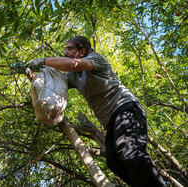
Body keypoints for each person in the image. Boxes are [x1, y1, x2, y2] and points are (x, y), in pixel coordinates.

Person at [21, 36, 166, 187]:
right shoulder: (72, 76)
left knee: (129, 152)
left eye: (70, 48)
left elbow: (72, 65)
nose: (65, 52)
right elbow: (51, 87)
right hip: (111, 122)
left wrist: (42, 61)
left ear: (82, 51)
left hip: (126, 109)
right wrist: (29, 73)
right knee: (114, 162)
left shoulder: (95, 59)